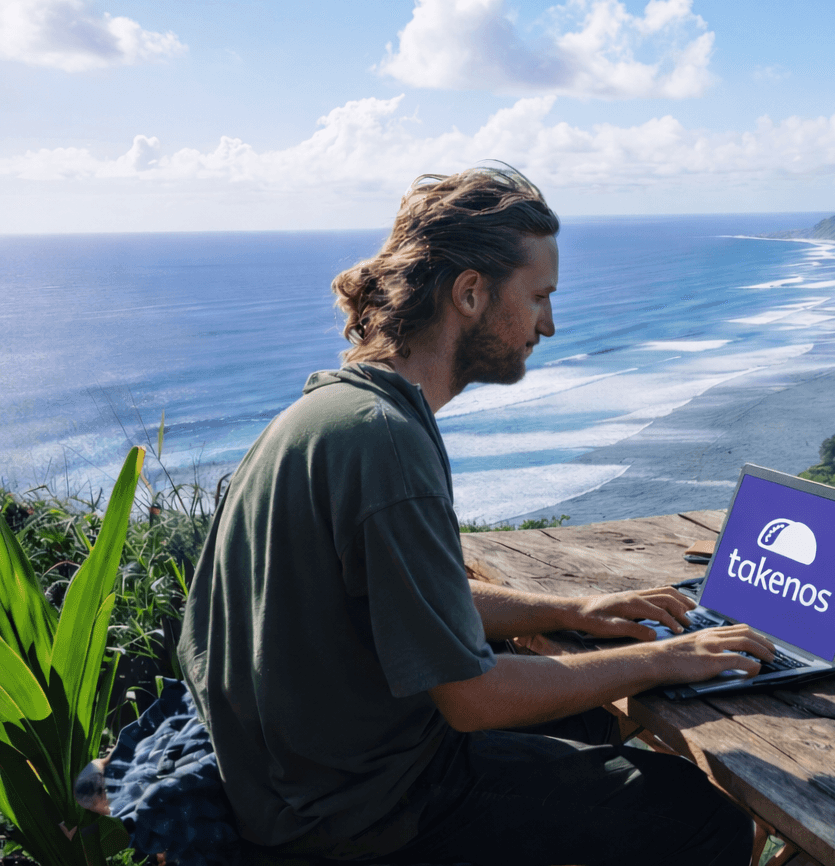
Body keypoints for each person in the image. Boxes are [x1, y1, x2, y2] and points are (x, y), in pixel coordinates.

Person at [178, 166, 776, 866]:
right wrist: (665, 658)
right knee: (702, 820)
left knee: (586, 716)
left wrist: (569, 608)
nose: (548, 326)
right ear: (470, 293)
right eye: (538, 298)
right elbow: (475, 700)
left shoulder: (332, 410)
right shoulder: (388, 446)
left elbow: (413, 598)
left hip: (294, 780)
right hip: (361, 813)